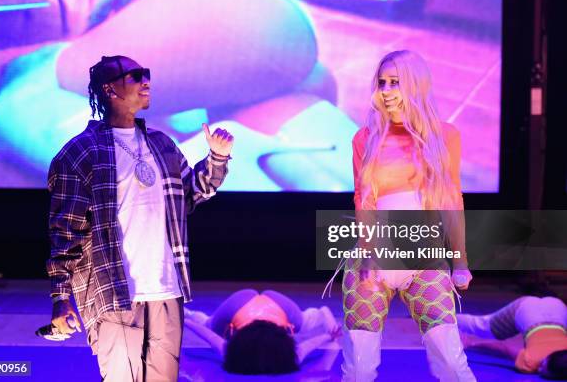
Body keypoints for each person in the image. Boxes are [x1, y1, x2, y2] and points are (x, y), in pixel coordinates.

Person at [47, 55, 233, 381]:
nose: (146, 81)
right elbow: (66, 231)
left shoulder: (161, 144)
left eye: (146, 74)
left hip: (166, 289)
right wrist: (61, 299)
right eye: (135, 76)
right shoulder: (80, 153)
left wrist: (217, 157)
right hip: (114, 292)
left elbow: (192, 193)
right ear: (110, 90)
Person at [341, 50, 475, 381]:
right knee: (359, 368)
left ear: (415, 86)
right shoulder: (365, 139)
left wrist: (460, 262)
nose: (386, 90)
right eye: (382, 82)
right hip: (373, 261)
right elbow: (363, 200)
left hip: (425, 262)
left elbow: (451, 200)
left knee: (452, 362)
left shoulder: (445, 136)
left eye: (395, 82)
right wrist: (369, 254)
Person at [183, 289, 341, 375]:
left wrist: (328, 335)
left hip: (259, 304)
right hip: (249, 305)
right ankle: (320, 313)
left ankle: (320, 313)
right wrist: (186, 322)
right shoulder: (231, 353)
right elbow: (206, 334)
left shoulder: (290, 357)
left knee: (208, 323)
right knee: (207, 324)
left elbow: (309, 345)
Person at [457, 296, 567, 379]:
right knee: (482, 325)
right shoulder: (532, 360)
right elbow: (504, 346)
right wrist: (471, 342)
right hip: (527, 312)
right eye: (543, 365)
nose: (540, 368)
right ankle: (444, 317)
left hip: (557, 307)